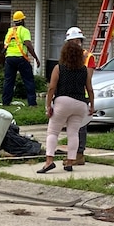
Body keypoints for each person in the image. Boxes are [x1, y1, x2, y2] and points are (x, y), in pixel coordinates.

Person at [37, 35, 94, 174]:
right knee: (73, 133)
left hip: (63, 101)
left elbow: (51, 88)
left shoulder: (59, 68)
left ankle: (49, 161)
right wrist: (92, 105)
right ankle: (70, 162)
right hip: (80, 104)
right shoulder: (84, 70)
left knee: (53, 132)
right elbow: (90, 89)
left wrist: (48, 105)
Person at [64, 27, 96, 165]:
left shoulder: (88, 57)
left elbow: (87, 80)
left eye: (72, 41)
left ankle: (79, 154)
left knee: (80, 127)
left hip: (81, 95)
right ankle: (72, 154)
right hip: (68, 94)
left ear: (78, 41)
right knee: (71, 127)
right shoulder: (66, 56)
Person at [1, 10, 40, 106]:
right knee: (28, 80)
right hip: (21, 58)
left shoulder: (10, 31)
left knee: (8, 81)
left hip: (9, 58)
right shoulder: (24, 31)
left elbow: (5, 46)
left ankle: (6, 102)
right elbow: (28, 45)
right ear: (22, 20)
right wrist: (36, 58)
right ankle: (32, 103)